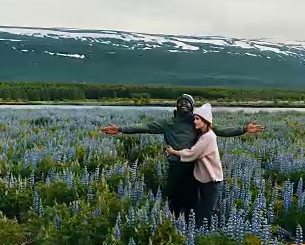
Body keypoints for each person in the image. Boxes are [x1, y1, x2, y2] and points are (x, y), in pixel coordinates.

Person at [101, 94, 264, 222]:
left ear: (192, 107)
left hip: (193, 168)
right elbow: (146, 127)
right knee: (174, 198)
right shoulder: (168, 122)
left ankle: (188, 227)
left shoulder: (196, 122)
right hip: (175, 166)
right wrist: (121, 129)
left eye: (187, 102)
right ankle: (172, 225)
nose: (184, 104)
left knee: (192, 200)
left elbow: (221, 130)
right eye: (181, 102)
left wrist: (243, 129)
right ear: (177, 106)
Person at [166, 103, 221, 228]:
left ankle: (204, 235)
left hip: (211, 178)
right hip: (204, 177)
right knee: (199, 208)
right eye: (194, 118)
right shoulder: (203, 135)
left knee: (206, 211)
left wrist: (174, 152)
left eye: (197, 119)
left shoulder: (207, 137)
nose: (194, 121)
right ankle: (198, 229)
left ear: (205, 121)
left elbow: (193, 153)